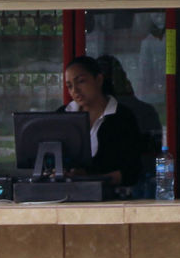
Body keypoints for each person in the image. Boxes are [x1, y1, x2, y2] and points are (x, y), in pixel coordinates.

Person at [61, 55, 149, 192]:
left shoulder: (122, 117)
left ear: (99, 80)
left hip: (110, 200)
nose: (75, 90)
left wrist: (91, 178)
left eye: (81, 82)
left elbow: (132, 171)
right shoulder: (62, 115)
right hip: (65, 197)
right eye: (70, 86)